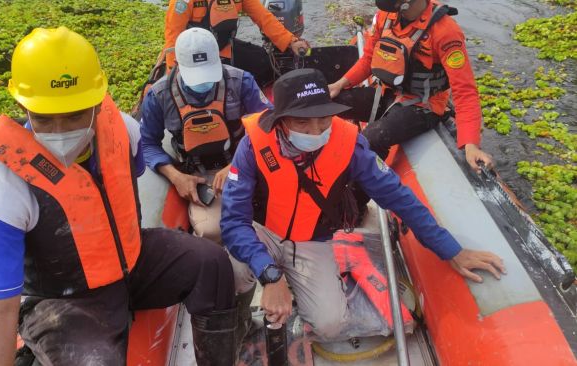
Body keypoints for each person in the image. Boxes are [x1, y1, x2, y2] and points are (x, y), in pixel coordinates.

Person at [0, 26, 237, 366]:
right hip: (64, 298)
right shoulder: (3, 185)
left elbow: (130, 180)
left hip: (132, 261)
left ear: (97, 102)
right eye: (45, 119)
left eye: (75, 115)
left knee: (211, 262)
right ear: (22, 104)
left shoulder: (123, 130)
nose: (60, 131)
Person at [221, 68, 506, 339]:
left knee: (329, 324)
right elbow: (233, 222)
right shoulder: (253, 145)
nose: (315, 130)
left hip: (312, 241)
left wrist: (451, 250)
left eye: (323, 119)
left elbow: (397, 196)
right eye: (302, 122)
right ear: (280, 120)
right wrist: (270, 275)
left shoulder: (349, 143)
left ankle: (313, 289)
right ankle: (241, 322)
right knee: (229, 272)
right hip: (264, 234)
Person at [328, 0, 493, 173]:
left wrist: (471, 144)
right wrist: (340, 84)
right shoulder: (386, 16)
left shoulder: (446, 31)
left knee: (372, 137)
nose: (395, 13)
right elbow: (369, 58)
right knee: (330, 102)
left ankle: (358, 191)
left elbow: (465, 91)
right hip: (386, 93)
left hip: (422, 106)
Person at [141, 28, 272, 245]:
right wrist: (176, 177)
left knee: (277, 210)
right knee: (212, 231)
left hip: (247, 158)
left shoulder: (242, 81)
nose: (203, 83)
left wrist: (237, 164)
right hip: (202, 174)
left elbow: (268, 125)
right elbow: (147, 143)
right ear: (179, 65)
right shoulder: (159, 95)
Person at [163, 0, 310, 86]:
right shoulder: (182, 2)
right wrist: (174, 74)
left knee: (264, 62)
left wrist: (291, 41)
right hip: (195, 57)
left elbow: (263, 17)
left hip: (225, 48)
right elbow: (173, 36)